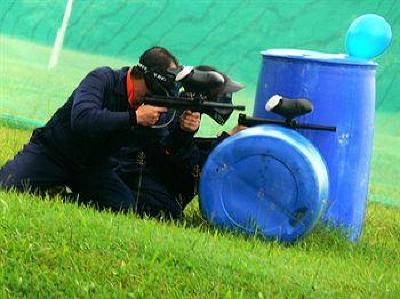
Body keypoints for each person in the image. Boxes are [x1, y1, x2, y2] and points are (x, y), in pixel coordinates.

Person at [0, 46, 193, 213]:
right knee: (6, 185)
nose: (156, 98)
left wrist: (184, 130)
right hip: (53, 152)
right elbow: (82, 119)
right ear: (143, 77)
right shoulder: (102, 78)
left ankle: (59, 196)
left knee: (123, 207)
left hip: (94, 166)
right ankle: (48, 182)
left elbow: (162, 148)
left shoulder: (153, 108)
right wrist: (135, 117)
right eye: (157, 91)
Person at [112, 65, 247, 219]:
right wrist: (223, 140)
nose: (227, 99)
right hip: (136, 182)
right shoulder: (171, 113)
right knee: (169, 212)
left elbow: (191, 148)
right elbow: (184, 161)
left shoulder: (183, 110)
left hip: (144, 178)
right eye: (224, 94)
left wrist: (228, 137)